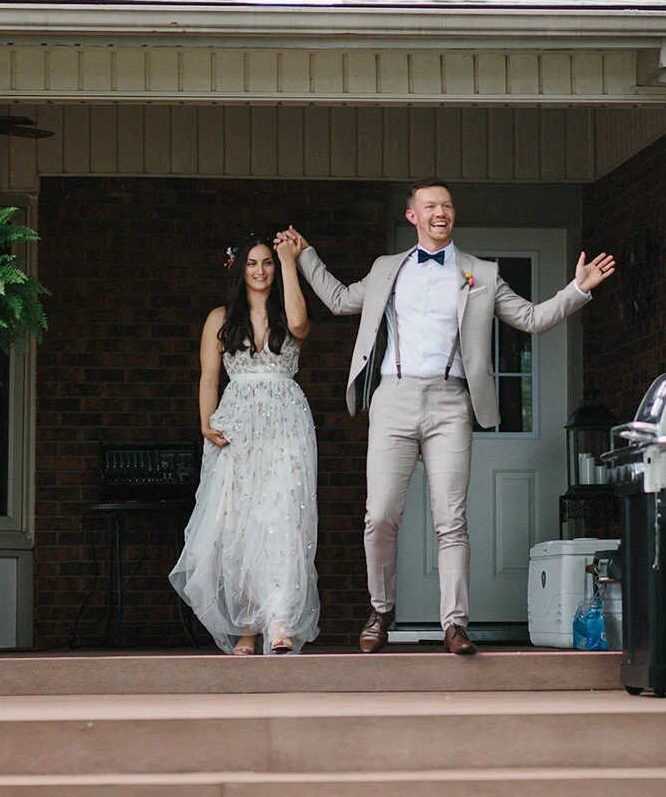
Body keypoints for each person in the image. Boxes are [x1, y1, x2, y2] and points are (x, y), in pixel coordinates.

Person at [278, 179, 615, 656]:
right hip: (394, 398)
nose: (441, 212)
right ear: (413, 216)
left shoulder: (479, 272)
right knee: (380, 515)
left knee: (451, 521)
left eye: (448, 206)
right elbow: (338, 299)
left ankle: (454, 624)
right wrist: (305, 255)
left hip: (450, 403)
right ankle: (380, 611)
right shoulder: (387, 268)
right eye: (431, 206)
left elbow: (532, 318)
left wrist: (578, 288)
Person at [169, 232, 319, 655]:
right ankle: (248, 626)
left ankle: (280, 619)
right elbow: (209, 376)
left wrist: (289, 262)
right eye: (252, 263)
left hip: (286, 420)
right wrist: (205, 423)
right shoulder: (220, 318)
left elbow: (300, 325)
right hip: (238, 422)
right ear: (239, 268)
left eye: (267, 262)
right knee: (240, 522)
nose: (260, 270)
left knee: (283, 517)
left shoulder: (286, 311)